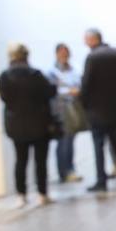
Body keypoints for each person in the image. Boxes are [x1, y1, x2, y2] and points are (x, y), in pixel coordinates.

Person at [0, 43, 56, 208]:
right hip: (39, 123)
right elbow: (49, 93)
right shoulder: (36, 75)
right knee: (40, 161)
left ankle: (21, 194)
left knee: (20, 160)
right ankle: (42, 193)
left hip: (16, 125)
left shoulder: (3, 78)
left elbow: (5, 99)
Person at [80, 28, 116, 192]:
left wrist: (84, 104)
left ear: (92, 39)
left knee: (99, 147)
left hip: (98, 111)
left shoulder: (92, 57)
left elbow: (86, 85)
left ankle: (101, 180)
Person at [47, 43, 83, 183]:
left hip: (73, 109)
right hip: (60, 110)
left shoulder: (74, 69)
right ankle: (64, 171)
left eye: (66, 53)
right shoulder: (51, 72)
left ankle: (70, 169)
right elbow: (54, 91)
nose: (64, 56)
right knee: (63, 141)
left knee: (71, 140)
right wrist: (69, 91)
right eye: (61, 53)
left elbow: (78, 85)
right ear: (56, 54)